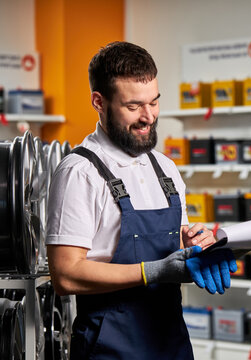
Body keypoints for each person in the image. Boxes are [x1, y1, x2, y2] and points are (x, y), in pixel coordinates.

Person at [45, 41, 236, 360]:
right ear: (99, 102)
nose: (148, 117)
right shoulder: (80, 172)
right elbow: (65, 274)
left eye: (154, 102)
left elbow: (171, 246)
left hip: (170, 342)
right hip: (110, 348)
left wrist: (194, 242)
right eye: (133, 106)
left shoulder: (166, 168)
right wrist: (153, 271)